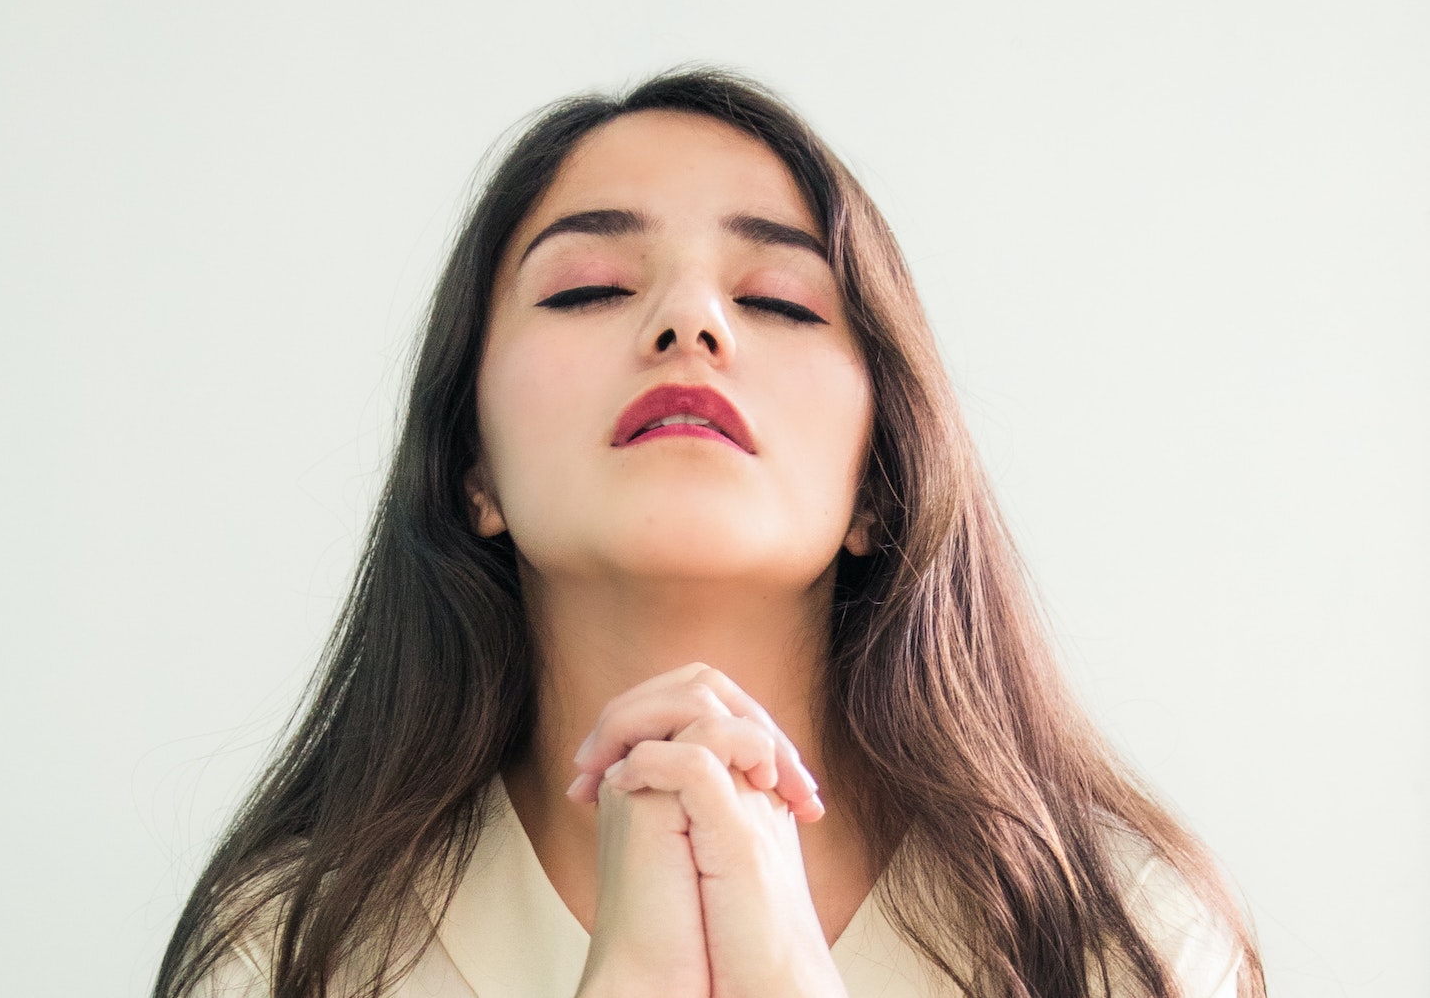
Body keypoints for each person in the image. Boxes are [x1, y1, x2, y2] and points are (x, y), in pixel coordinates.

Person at [154, 68, 1264, 998]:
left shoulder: (1124, 941)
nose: (690, 321)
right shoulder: (292, 951)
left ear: (882, 485)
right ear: (470, 464)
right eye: (588, 288)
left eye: (781, 298)